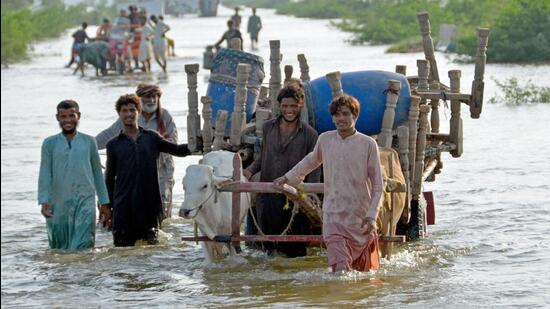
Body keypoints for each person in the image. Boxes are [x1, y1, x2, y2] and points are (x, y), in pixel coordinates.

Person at [274, 94, 384, 272]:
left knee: (361, 272)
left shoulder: (368, 144)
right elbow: (311, 161)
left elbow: (378, 185)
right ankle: (338, 294)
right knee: (340, 268)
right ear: (332, 117)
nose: (341, 119)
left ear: (355, 116)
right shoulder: (325, 139)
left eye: (346, 114)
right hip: (333, 215)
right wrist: (287, 177)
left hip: (359, 217)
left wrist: (372, 215)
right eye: (337, 115)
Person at [101, 94, 192, 247]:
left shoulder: (152, 138)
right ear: (119, 114)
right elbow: (109, 178)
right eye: (124, 111)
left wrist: (196, 144)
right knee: (123, 249)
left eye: (132, 110)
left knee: (152, 249)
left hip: (149, 204)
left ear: (139, 111)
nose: (129, 114)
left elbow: (177, 150)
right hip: (123, 206)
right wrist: (106, 206)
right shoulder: (113, 144)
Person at [244, 83, 320, 257]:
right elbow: (263, 157)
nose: (289, 110)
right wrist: (248, 171)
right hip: (269, 195)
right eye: (285, 106)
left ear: (300, 106)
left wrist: (311, 196)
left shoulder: (310, 134)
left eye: (293, 106)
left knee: (295, 252)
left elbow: (314, 166)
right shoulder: (268, 127)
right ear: (279, 106)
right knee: (269, 251)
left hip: (295, 200)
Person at [96, 84, 178, 220]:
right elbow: (108, 134)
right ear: (139, 99)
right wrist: (88, 145)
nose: (151, 100)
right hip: (134, 176)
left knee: (162, 214)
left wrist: (150, 158)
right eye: (147, 97)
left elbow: (173, 143)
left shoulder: (165, 116)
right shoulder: (131, 115)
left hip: (161, 174)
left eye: (154, 97)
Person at [38, 100, 110, 249]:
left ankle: (84, 273)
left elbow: (97, 172)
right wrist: (44, 200)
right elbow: (45, 173)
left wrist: (104, 202)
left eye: (72, 115)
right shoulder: (49, 143)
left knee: (83, 246)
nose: (68, 120)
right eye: (63, 116)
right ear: (57, 118)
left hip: (85, 201)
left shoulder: (89, 141)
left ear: (79, 116)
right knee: (60, 248)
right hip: (58, 203)